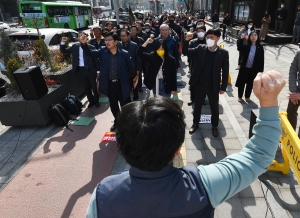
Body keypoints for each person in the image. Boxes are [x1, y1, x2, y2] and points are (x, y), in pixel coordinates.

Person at [86, 70, 286, 217]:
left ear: (121, 146)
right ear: (178, 149)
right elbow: (258, 155)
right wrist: (268, 104)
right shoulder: (203, 185)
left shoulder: (103, 195)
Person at [79, 32, 135, 131]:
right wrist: (84, 44)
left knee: (125, 105)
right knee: (113, 106)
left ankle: (127, 123)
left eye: (109, 40)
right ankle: (117, 122)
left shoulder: (124, 54)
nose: (107, 42)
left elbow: (132, 69)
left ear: (116, 42)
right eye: (106, 40)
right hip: (109, 84)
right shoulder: (102, 51)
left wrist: (126, 79)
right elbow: (90, 53)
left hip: (121, 84)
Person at [186, 29, 229, 137]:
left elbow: (225, 71)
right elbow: (187, 52)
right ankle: (195, 123)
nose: (209, 39)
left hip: (213, 85)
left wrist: (223, 86)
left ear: (218, 39)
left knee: (214, 107)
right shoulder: (201, 48)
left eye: (212, 37)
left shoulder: (223, 53)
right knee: (197, 106)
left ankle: (214, 126)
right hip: (200, 83)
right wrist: (186, 41)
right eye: (208, 37)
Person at [60, 32, 100, 109]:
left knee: (94, 87)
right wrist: (63, 42)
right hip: (81, 70)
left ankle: (96, 100)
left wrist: (98, 71)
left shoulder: (91, 47)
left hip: (91, 70)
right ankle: (91, 101)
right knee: (86, 87)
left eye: (82, 36)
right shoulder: (75, 47)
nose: (80, 37)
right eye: (79, 36)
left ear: (86, 37)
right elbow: (63, 50)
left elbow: (96, 61)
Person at [235, 31, 264, 102]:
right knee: (242, 82)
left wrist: (260, 71)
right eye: (252, 35)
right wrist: (241, 39)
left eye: (255, 35)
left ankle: (247, 96)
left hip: (254, 69)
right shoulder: (246, 46)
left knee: (250, 83)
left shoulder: (260, 47)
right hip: (244, 68)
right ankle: (240, 96)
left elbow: (262, 59)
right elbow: (239, 48)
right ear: (249, 37)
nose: (253, 37)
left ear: (257, 37)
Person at [182, 26, 207, 106]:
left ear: (205, 32)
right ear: (196, 32)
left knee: (203, 84)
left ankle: (202, 99)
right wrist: (186, 41)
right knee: (193, 84)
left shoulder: (208, 41)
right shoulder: (192, 42)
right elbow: (186, 52)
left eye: (202, 31)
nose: (200, 32)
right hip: (194, 65)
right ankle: (192, 99)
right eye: (198, 31)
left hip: (205, 66)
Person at [119, 29, 141, 101]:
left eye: (124, 36)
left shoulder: (134, 45)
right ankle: (127, 99)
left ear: (128, 36)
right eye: (121, 36)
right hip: (123, 71)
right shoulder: (118, 45)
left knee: (134, 86)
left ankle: (136, 97)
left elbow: (138, 58)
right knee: (126, 87)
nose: (123, 38)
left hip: (133, 70)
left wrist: (138, 69)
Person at [287, 50, 300, 138]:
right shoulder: (299, 53)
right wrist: (293, 90)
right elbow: (293, 70)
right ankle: (290, 138)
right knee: (290, 112)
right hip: (297, 90)